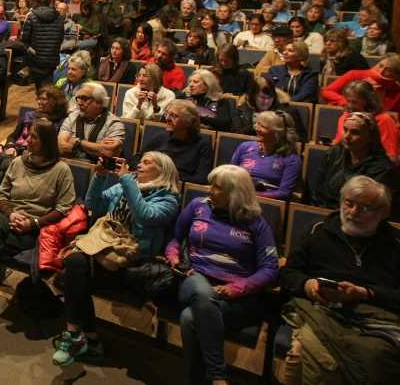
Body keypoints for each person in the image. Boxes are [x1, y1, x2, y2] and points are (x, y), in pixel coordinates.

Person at [51, 152, 182, 366]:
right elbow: (94, 203)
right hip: (105, 249)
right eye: (141, 161)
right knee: (76, 265)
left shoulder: (168, 198)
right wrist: (100, 177)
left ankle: (83, 338)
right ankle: (78, 335)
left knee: (75, 270)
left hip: (133, 262)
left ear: (163, 170)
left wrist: (127, 180)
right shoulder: (125, 185)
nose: (140, 164)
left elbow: (145, 215)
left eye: (147, 162)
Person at [0, 118, 76, 335]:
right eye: (28, 135)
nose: (28, 139)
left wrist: (33, 222)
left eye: (34, 136)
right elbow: (1, 194)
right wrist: (12, 213)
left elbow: (65, 208)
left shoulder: (61, 170)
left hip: (39, 227)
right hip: (11, 217)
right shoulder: (18, 162)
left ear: (46, 142)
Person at [279, 176, 400, 385]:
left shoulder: (395, 243)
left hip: (375, 316)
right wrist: (308, 285)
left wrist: (365, 293)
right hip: (322, 309)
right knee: (304, 355)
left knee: (375, 356)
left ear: (383, 212)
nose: (353, 212)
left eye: (365, 208)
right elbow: (289, 273)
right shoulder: (318, 230)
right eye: (349, 203)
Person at [166, 165, 279, 385]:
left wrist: (237, 288)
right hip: (194, 277)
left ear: (234, 193)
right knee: (202, 292)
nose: (209, 190)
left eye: (216, 187)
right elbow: (175, 239)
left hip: (236, 296)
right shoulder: (198, 207)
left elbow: (270, 268)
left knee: (190, 319)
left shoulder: (256, 223)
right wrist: (174, 258)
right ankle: (218, 376)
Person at [0, 87, 69, 200]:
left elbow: (50, 146)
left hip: (37, 155)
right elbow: (13, 135)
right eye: (38, 98)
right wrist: (10, 146)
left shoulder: (60, 121)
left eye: (43, 99)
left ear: (55, 101)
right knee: (3, 163)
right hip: (16, 151)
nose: (39, 102)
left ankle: (2, 196)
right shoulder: (30, 115)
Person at [309, 112, 393, 208]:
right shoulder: (333, 153)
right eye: (345, 130)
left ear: (370, 137)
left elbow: (369, 204)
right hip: (325, 211)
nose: (347, 136)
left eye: (355, 132)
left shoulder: (382, 167)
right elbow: (318, 190)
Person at [230, 110, 301, 199]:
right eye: (257, 124)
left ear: (278, 133)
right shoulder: (245, 147)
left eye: (263, 126)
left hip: (265, 203)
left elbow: (284, 193)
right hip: (236, 197)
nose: (256, 128)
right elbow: (229, 176)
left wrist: (249, 196)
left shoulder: (291, 158)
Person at [137, 100, 213, 183]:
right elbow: (136, 159)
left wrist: (165, 175)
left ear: (189, 122)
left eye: (174, 116)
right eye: (167, 114)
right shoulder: (161, 137)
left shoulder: (202, 144)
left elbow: (201, 179)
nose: (167, 119)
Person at [331, 80, 399, 161]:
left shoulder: (384, 120)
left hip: (372, 169)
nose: (349, 106)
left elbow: (391, 158)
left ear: (368, 101)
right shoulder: (344, 117)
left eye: (354, 102)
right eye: (348, 101)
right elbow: (338, 145)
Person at [57, 83, 126, 161]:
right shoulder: (71, 118)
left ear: (99, 102)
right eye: (78, 98)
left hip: (99, 170)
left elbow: (108, 152)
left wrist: (78, 143)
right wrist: (97, 147)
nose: (79, 103)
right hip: (71, 165)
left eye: (84, 99)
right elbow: (61, 147)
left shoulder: (114, 124)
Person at [322, 54, 400, 113]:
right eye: (380, 65)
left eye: (388, 70)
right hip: (348, 114)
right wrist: (347, 102)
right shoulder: (355, 74)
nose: (381, 71)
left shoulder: (396, 91)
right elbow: (327, 92)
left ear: (396, 75)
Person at [20, 0, 65, 90]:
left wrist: (31, 52)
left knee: (40, 88)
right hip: (52, 57)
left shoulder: (31, 16)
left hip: (36, 58)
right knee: (48, 86)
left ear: (36, 2)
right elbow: (61, 38)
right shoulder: (59, 17)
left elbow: (25, 40)